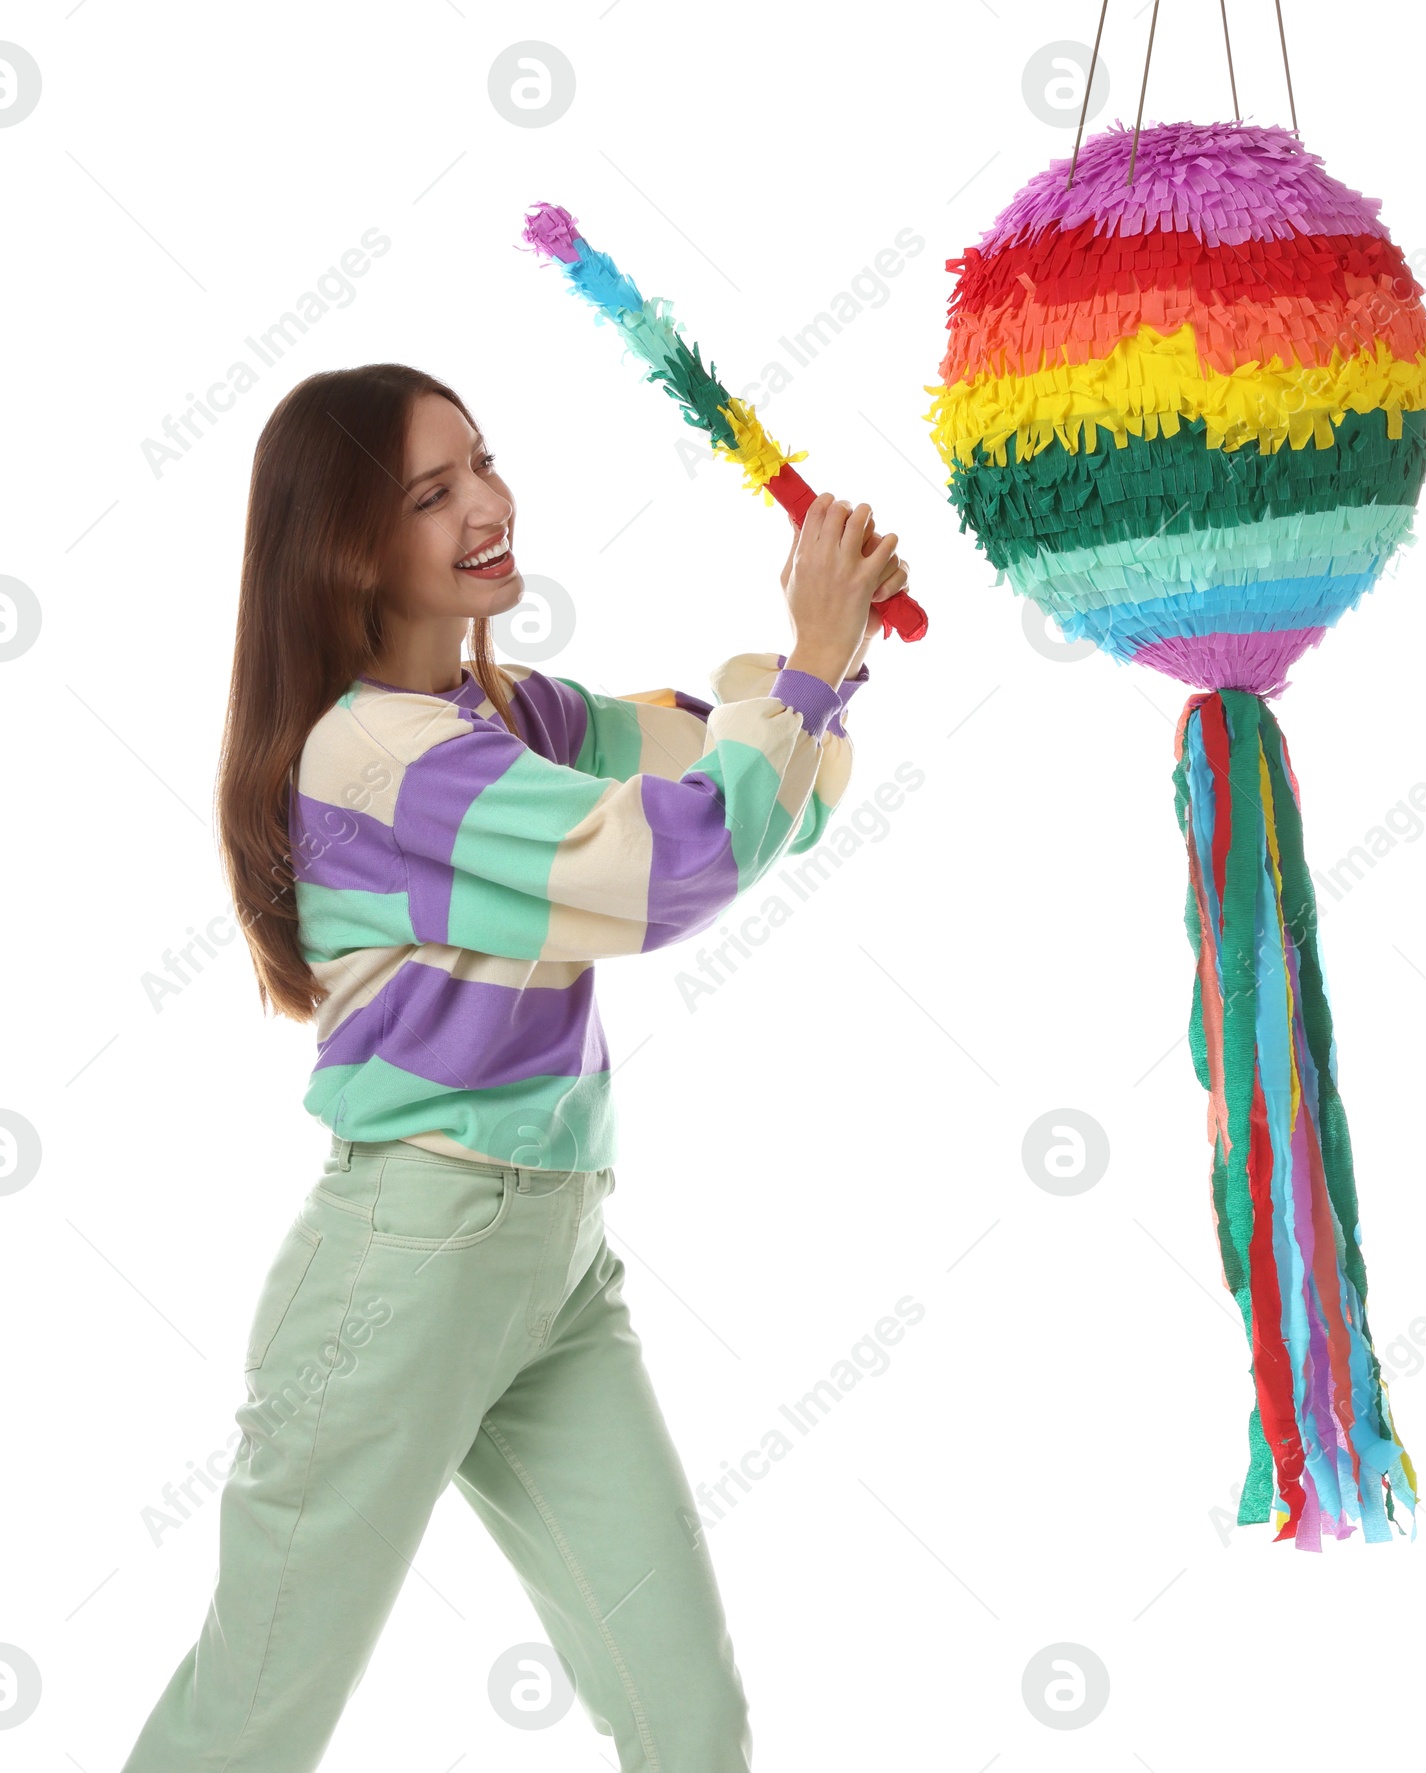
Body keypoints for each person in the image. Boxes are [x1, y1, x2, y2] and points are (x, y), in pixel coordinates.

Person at [120, 362, 908, 1771]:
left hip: (553, 1259)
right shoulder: (373, 757)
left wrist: (825, 664)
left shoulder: (510, 714)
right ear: (351, 547)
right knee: (247, 1730)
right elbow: (674, 865)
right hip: (403, 1268)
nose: (486, 502)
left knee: (692, 1722)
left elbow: (728, 781)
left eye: (481, 460)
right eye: (431, 493)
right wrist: (805, 663)